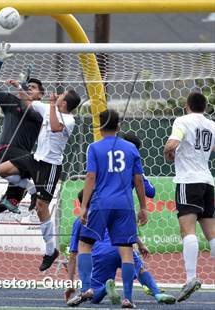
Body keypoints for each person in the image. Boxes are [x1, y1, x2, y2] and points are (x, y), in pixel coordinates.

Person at [0, 90, 80, 271]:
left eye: (61, 95)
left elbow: (55, 127)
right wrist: (19, 86)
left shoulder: (69, 119)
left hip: (50, 166)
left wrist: (50, 105)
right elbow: (28, 102)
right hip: (35, 159)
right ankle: (30, 188)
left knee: (42, 208)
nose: (58, 95)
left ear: (64, 103)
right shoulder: (47, 108)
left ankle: (51, 251)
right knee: (2, 169)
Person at [76, 109, 148, 308]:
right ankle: (127, 298)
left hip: (101, 204)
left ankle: (87, 287)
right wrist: (143, 207)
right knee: (126, 252)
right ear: (118, 126)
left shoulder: (94, 147)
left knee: (85, 244)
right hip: (124, 206)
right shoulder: (131, 149)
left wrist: (84, 207)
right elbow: (138, 179)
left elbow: (91, 177)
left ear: (99, 126)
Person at [0, 42, 44, 232]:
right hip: (5, 152)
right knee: (42, 166)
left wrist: (22, 86)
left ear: (41, 95)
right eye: (27, 86)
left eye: (34, 87)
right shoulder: (11, 102)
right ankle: (32, 190)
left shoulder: (43, 112)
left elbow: (31, 111)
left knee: (12, 199)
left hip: (20, 161)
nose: (30, 88)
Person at [66, 190, 175, 306]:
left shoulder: (79, 222)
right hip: (121, 249)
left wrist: (70, 284)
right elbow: (127, 230)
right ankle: (157, 294)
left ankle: (103, 289)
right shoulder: (111, 212)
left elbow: (73, 254)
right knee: (140, 269)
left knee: (94, 298)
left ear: (82, 204)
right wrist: (141, 244)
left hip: (100, 255)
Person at [163, 92, 215, 302]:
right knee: (212, 234)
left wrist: (167, 152)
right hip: (207, 181)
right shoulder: (212, 125)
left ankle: (191, 277)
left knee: (188, 230)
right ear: (205, 106)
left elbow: (172, 143)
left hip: (188, 180)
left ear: (187, 105)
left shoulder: (182, 120)